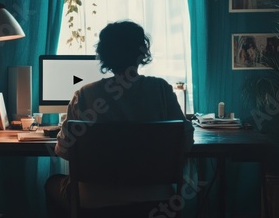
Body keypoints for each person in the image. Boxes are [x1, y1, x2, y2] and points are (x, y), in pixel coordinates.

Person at [44, 20, 194, 217]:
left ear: (105, 56)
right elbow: (184, 142)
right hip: (155, 199)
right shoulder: (161, 90)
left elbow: (64, 151)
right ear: (142, 53)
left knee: (51, 183)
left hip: (95, 201)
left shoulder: (85, 95)